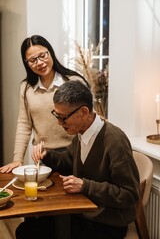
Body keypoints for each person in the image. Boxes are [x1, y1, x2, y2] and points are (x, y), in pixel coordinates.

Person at [16, 80, 140, 239]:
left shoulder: (115, 141)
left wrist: (85, 186)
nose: (59, 123)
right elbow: (68, 161)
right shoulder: (81, 134)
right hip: (82, 212)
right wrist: (47, 155)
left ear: (83, 112)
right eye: (57, 115)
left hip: (107, 223)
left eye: (63, 118)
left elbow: (129, 194)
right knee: (26, 230)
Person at [0, 35, 88, 173]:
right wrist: (18, 159)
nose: (39, 62)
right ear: (26, 63)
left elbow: (88, 118)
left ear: (50, 52)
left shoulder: (73, 81)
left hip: (75, 154)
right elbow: (24, 124)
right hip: (44, 156)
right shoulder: (26, 87)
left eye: (42, 55)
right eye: (33, 60)